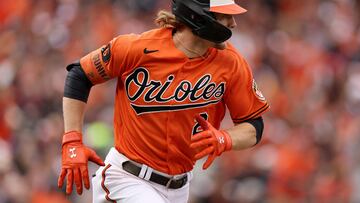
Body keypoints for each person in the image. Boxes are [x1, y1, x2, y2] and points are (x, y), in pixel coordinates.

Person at [57, 0, 270, 202]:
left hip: (180, 188)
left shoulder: (231, 63)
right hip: (127, 178)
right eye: (225, 16)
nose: (233, 24)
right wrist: (72, 140)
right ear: (199, 15)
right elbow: (80, 74)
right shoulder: (138, 48)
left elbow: (254, 125)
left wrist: (225, 138)